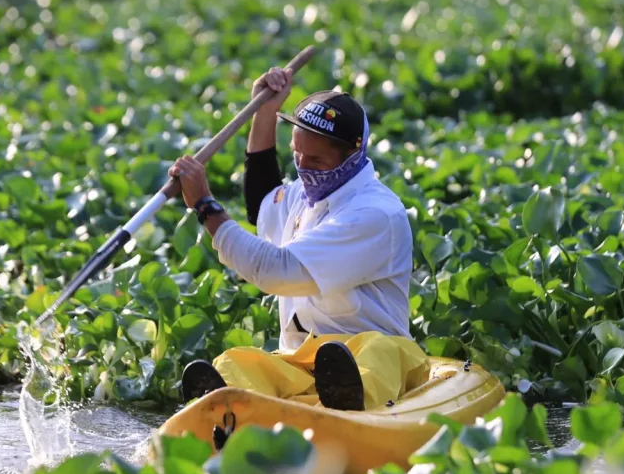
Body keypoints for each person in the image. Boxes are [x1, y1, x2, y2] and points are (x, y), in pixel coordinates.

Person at [167, 66, 429, 412]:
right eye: (297, 154)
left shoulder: (376, 214)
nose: (303, 168)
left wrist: (206, 206)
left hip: (377, 354)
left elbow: (279, 271)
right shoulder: (304, 193)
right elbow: (262, 201)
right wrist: (265, 112)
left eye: (316, 159)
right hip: (301, 360)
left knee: (374, 356)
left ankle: (347, 407)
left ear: (353, 155)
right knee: (236, 362)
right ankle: (224, 413)